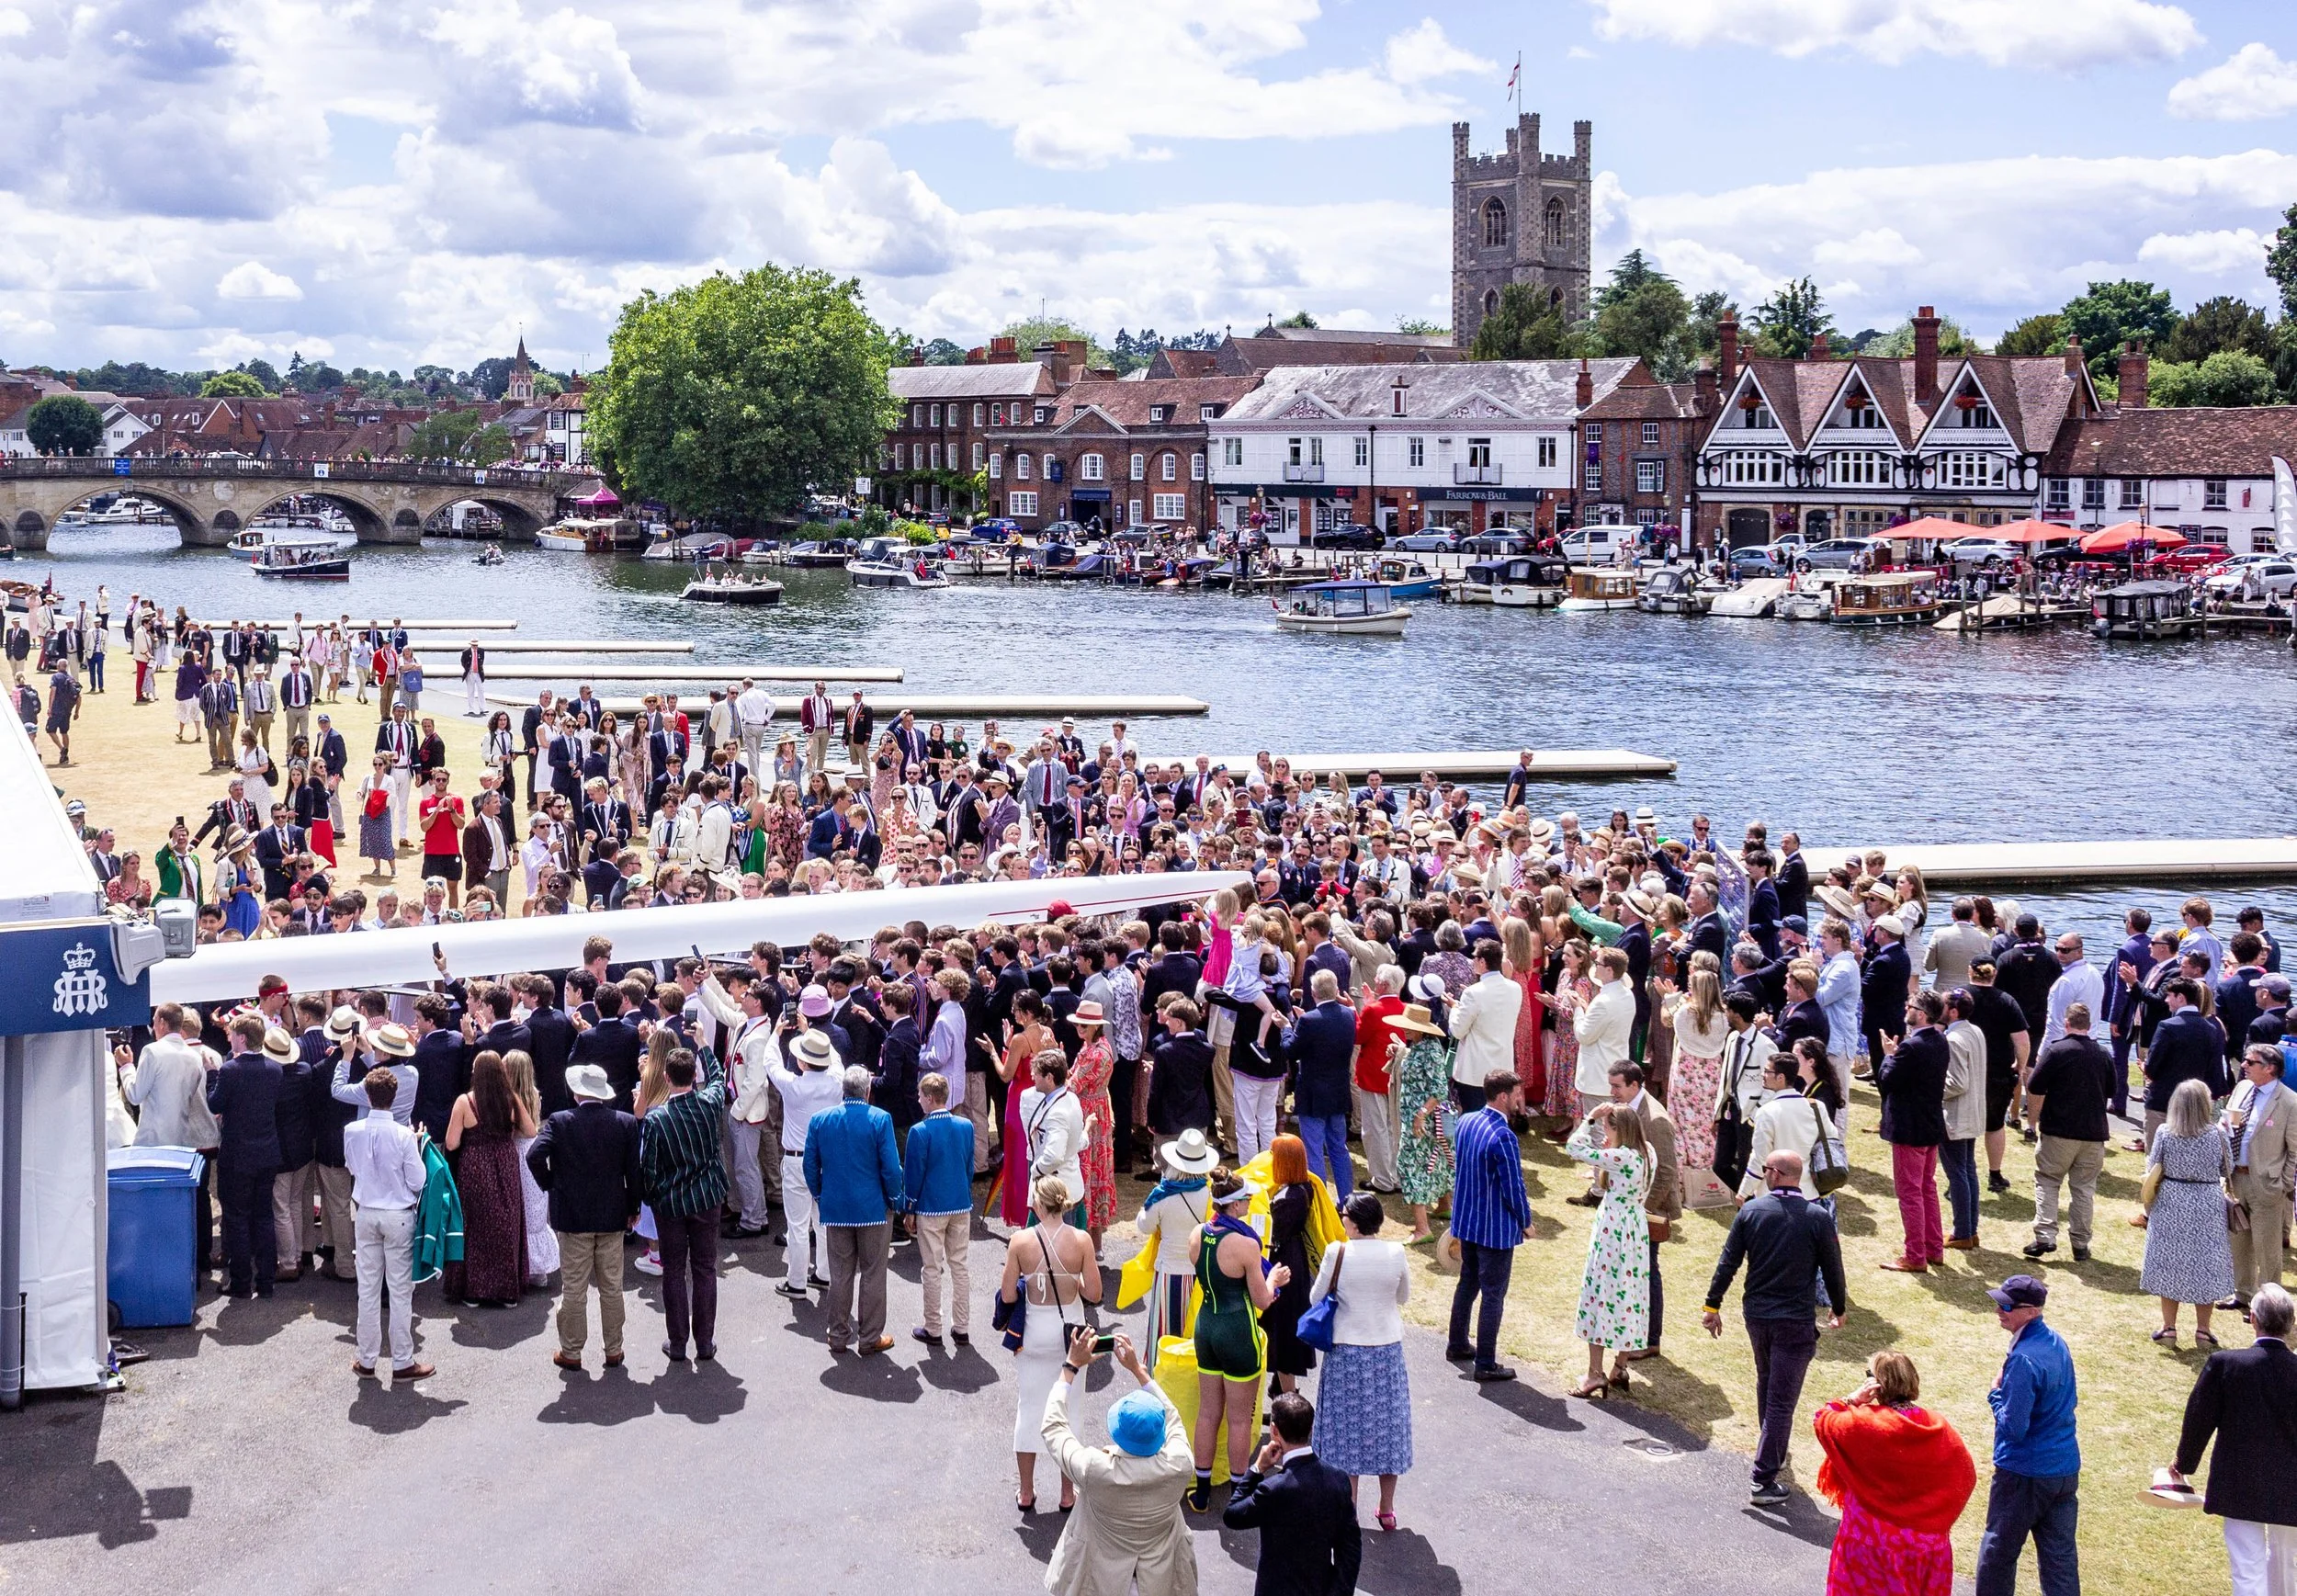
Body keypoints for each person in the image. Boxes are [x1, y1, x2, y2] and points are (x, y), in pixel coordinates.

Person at [1705, 1148, 1849, 1505]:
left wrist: (1712, 1304)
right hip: (1795, 1322)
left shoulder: (1751, 1211)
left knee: (1767, 1384)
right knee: (1782, 1400)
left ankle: (1771, 1450)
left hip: (1757, 1316)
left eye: (1766, 1168)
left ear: (1775, 1174)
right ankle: (1763, 1477)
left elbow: (1728, 1262)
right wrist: (1839, 1307)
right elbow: (1833, 1267)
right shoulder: (1817, 1217)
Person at [2165, 1282, 2297, 1596]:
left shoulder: (2226, 1364)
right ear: (2291, 1323)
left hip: (2239, 1482)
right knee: (2289, 1566)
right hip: (2292, 1486)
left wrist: (2183, 1464)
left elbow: (2199, 1419)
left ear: (2253, 1319)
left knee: (2247, 1569)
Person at [1041, 1330, 1196, 1596]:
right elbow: (1173, 1417)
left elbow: (1054, 1428)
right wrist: (1138, 1371)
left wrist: (1070, 1367)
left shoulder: (1095, 1468)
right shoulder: (1180, 1464)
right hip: (1159, 1581)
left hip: (1100, 1580)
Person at [1812, 1352, 1977, 1596]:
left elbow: (1823, 1420)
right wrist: (1937, 1520)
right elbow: (1966, 1476)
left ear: (1877, 1385)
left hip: (1870, 1543)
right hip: (1926, 1547)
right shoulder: (1937, 1425)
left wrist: (1853, 1399)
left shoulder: (1865, 1424)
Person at [526, 1062, 642, 1371]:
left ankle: (572, 1352)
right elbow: (634, 1172)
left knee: (574, 1288)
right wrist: (634, 1208)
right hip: (612, 1214)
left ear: (577, 1091)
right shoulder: (625, 1123)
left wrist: (551, 1183)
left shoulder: (560, 1121)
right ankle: (614, 1349)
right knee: (612, 1286)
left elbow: (534, 1155)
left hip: (573, 1216)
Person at [1190, 1165, 1292, 1510]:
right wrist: (1274, 1278)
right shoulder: (1247, 1245)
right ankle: (1238, 1491)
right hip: (1237, 1331)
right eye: (1246, 1197)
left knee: (1207, 1413)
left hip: (1205, 1326)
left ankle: (1201, 1490)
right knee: (1238, 1419)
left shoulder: (1196, 1234)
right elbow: (1263, 1301)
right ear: (1234, 1206)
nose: (1251, 1201)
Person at [1001, 1174, 1103, 1513]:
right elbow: (1094, 1293)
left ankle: (1026, 1491)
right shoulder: (1082, 1240)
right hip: (1069, 1333)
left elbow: (1008, 1294)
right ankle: (1066, 1492)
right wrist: (1071, 1280)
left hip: (1033, 1332)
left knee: (1029, 1409)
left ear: (1040, 1205)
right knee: (1070, 1413)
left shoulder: (1020, 1241)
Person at [1976, 1273, 2080, 1596]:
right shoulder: (2056, 1342)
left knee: (1998, 1555)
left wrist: (1995, 1394)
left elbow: (2013, 1427)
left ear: (2032, 1311)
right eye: (1998, 1302)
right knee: (2060, 1561)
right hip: (2063, 1470)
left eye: (2007, 1306)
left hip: (2025, 1473)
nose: (1999, 1310)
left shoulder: (2023, 1359)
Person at [1222, 1390, 1363, 1596]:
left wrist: (1257, 1469)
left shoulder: (1273, 1489)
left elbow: (1232, 1515)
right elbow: (1351, 1547)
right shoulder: (1338, 1479)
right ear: (1311, 1428)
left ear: (1274, 1431)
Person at [804, 1064, 903, 1357]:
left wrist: (821, 1193)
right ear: (868, 1090)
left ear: (842, 1090)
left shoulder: (821, 1120)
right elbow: (890, 1169)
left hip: (836, 1209)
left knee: (840, 1274)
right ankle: (869, 1336)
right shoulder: (880, 1119)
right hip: (873, 1209)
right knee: (873, 1273)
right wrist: (895, 1199)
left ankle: (837, 1335)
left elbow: (810, 1165)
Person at [639, 1045, 729, 1363]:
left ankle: (678, 1343)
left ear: (665, 1077)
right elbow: (719, 1077)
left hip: (671, 1205)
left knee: (673, 1271)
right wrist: (704, 1046)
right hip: (707, 1199)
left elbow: (647, 1168)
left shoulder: (657, 1120)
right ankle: (704, 1342)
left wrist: (652, 1199)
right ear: (694, 1077)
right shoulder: (708, 1104)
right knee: (705, 1269)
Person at [343, 1065, 433, 1381]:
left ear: (368, 1096)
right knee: (399, 1291)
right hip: (398, 1215)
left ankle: (366, 1359)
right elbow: (419, 1180)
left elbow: (352, 1167)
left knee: (367, 1290)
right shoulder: (404, 1135)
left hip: (366, 1211)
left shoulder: (351, 1131)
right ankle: (402, 1360)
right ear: (393, 1099)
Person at [1446, 1070, 1532, 1384]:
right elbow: (1514, 1187)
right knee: (1493, 1295)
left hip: (1467, 1221)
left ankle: (1457, 1344)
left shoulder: (1467, 1121)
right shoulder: (1504, 1136)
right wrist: (1526, 1221)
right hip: (1494, 1230)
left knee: (1467, 1284)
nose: (1520, 1100)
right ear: (1503, 1096)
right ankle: (1485, 1362)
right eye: (1517, 1094)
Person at [2140, 1078, 2236, 1347]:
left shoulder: (2164, 1132)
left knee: (2169, 1262)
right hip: (2207, 1201)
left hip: (2172, 1199)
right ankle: (2203, 1331)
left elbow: (2153, 1165)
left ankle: (2169, 1328)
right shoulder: (2216, 1134)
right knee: (2206, 1263)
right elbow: (2223, 1169)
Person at [1564, 1101, 1652, 1398]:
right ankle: (1620, 1366)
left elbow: (1573, 1148)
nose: (1603, 1130)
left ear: (1618, 1129)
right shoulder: (1646, 1152)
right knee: (1629, 1293)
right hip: (1635, 1226)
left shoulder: (1621, 1156)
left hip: (1613, 1226)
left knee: (1601, 1292)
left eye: (1607, 1126)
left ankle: (1594, 1373)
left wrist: (1589, 1118)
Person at [2022, 1001, 2112, 1262]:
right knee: (2084, 1189)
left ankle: (2045, 1235)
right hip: (2093, 1134)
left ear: (2067, 1024)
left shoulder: (2056, 1051)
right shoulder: (2103, 1054)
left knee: (2048, 1181)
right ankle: (2081, 1244)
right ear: (2090, 1025)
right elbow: (2111, 1091)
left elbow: (2035, 1085)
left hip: (2059, 1130)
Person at [205, 1015, 285, 1298]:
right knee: (264, 1216)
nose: (229, 1038)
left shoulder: (229, 1070)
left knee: (237, 1218)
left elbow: (214, 1103)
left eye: (232, 1035)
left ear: (241, 1038)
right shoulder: (275, 1069)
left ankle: (240, 1282)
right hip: (266, 1152)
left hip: (237, 1154)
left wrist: (212, 1075)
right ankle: (265, 1282)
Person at [1876, 991, 1950, 1273]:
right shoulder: (1940, 1040)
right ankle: (1934, 1248)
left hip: (1910, 1128)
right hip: (1930, 1125)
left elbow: (1886, 1080)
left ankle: (1915, 1255)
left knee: (1910, 1193)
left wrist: (1888, 1057)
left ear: (1922, 1014)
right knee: (1927, 1188)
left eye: (1911, 1006)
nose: (1906, 1008)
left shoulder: (1911, 1047)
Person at [902, 1072, 975, 1345]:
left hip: (931, 1208)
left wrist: (909, 1207)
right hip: (960, 1204)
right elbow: (968, 1166)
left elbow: (913, 1175)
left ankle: (933, 1327)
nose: (919, 1100)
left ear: (930, 1098)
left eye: (921, 1096)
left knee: (932, 1268)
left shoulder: (920, 1131)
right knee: (960, 1267)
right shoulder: (965, 1126)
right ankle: (962, 1327)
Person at [2225, 1043, 2297, 1314]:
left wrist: (2283, 1183)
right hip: (2237, 1178)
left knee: (2267, 1250)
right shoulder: (2243, 1089)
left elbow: (2295, 1149)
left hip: (2267, 1184)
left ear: (2270, 1069)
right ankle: (2243, 1294)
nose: (2243, 1065)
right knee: (2239, 1241)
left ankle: (2269, 1307)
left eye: (2250, 1062)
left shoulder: (2289, 1102)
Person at [1136, 1129, 1215, 1366]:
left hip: (1169, 1271)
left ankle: (1160, 1375)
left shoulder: (1161, 1196)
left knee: (1164, 1331)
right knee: (1194, 1333)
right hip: (1200, 1273)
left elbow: (1145, 1226)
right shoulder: (1209, 1193)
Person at [1388, 1001, 1453, 1240]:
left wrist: (1421, 1114)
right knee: (1436, 1164)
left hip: (1423, 1121)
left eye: (1410, 1026)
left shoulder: (1431, 1051)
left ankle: (1422, 1229)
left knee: (1411, 1166)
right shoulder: (1420, 1046)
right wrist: (1400, 1052)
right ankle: (1444, 1206)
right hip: (1425, 1120)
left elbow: (1439, 1089)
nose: (1406, 1030)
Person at [1261, 1133, 1318, 1395]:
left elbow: (1274, 1233)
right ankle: (1280, 1389)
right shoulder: (1304, 1187)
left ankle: (1287, 1397)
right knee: (1283, 1326)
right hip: (1295, 1258)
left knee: (1281, 1330)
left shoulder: (1288, 1198)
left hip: (1284, 1264)